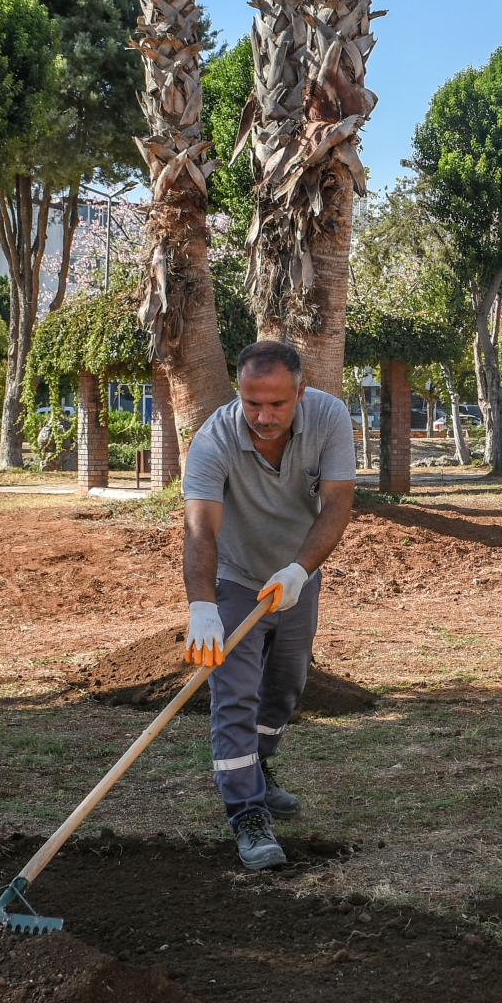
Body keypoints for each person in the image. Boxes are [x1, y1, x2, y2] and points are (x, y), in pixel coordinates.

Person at [179, 339, 358, 870]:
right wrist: (203, 606)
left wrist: (301, 570)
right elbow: (200, 531)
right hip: (235, 578)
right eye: (252, 401)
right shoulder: (213, 440)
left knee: (285, 686)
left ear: (301, 392)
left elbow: (338, 504)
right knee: (235, 694)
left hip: (297, 575)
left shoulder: (329, 418)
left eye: (277, 403)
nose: (263, 415)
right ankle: (246, 812)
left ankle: (258, 767)